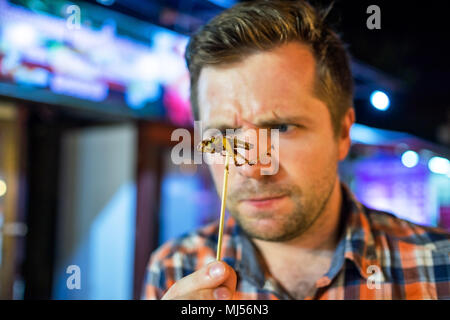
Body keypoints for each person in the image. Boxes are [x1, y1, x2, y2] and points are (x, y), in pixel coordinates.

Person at [142, 0, 450, 300]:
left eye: (281, 128)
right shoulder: (175, 267)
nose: (252, 167)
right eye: (223, 134)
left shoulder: (439, 269)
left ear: (342, 133)